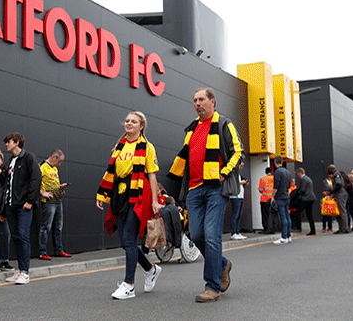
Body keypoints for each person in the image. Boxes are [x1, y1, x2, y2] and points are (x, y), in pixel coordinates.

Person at [168, 88, 244, 302]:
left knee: (211, 236)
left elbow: (239, 152)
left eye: (201, 99)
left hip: (215, 189)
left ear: (212, 101)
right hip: (193, 189)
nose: (197, 103)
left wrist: (223, 174)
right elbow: (185, 158)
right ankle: (222, 264)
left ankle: (212, 286)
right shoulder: (192, 128)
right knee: (196, 235)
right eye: (194, 100)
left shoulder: (224, 124)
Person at [96, 111, 162, 299]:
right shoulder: (120, 145)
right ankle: (150, 269)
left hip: (139, 192)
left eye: (134, 121)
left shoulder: (147, 147)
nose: (129, 123)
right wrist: (102, 193)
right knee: (126, 242)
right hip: (120, 193)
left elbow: (152, 174)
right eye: (127, 121)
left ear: (141, 126)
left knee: (129, 238)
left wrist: (155, 201)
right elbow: (112, 172)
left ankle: (129, 285)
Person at [3, 132, 42, 285]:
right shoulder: (10, 161)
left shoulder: (28, 158)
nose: (6, 144)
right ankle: (19, 271)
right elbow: (7, 185)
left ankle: (25, 272)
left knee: (23, 235)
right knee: (16, 237)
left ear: (17, 142)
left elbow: (36, 178)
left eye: (9, 142)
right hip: (11, 206)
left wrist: (30, 201)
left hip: (23, 206)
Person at [38, 149, 71, 260]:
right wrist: (42, 193)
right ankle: (42, 252)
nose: (59, 164)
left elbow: (54, 183)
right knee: (46, 227)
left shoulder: (55, 169)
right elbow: (35, 181)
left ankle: (59, 250)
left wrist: (61, 187)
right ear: (53, 157)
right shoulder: (42, 166)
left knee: (58, 227)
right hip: (48, 202)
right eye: (59, 161)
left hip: (58, 200)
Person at [272, 157, 292, 244]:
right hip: (286, 196)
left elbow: (276, 186)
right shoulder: (288, 172)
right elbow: (289, 185)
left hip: (280, 197)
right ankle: (288, 236)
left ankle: (283, 237)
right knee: (287, 216)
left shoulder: (277, 172)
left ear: (275, 163)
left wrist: (272, 196)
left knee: (283, 217)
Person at [327, 165, 349, 234]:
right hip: (341, 194)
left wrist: (332, 191)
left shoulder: (336, 175)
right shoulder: (337, 174)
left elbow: (339, 184)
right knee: (340, 211)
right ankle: (342, 228)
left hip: (340, 194)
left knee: (342, 211)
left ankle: (344, 228)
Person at [229, 161, 248, 240]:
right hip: (235, 196)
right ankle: (233, 232)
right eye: (241, 166)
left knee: (239, 214)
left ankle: (237, 231)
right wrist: (241, 182)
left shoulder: (238, 173)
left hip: (240, 196)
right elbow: (233, 183)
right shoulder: (233, 172)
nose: (241, 167)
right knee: (235, 214)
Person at [295, 168, 317, 236]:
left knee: (297, 212)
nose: (297, 176)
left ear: (300, 173)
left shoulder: (303, 179)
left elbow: (302, 190)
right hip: (311, 198)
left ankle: (298, 228)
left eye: (297, 174)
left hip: (306, 198)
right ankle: (313, 230)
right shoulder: (308, 178)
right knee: (309, 214)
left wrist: (296, 194)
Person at [258, 167, 275, 234]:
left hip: (264, 199)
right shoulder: (274, 178)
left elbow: (260, 190)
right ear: (271, 171)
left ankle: (266, 229)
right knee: (272, 214)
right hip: (272, 199)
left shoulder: (263, 179)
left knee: (265, 215)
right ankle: (272, 228)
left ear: (266, 172)